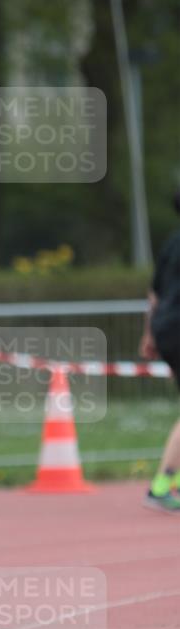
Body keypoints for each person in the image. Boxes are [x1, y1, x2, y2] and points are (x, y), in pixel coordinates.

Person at [138, 191, 180, 513]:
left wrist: (150, 334)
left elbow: (154, 295)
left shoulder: (172, 242)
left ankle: (168, 482)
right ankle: (163, 483)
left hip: (166, 327)